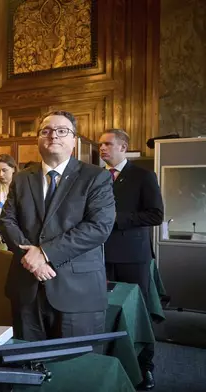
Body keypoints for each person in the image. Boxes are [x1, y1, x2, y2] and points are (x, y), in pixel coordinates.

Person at [0, 110, 115, 341]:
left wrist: (44, 253)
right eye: (47, 131)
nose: (54, 136)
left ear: (74, 140)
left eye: (62, 131)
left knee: (75, 367)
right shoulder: (22, 178)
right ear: (37, 139)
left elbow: (98, 227)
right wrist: (32, 262)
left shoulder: (95, 177)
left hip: (76, 291)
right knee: (26, 364)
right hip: (27, 287)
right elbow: (7, 220)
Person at [99, 129, 163, 391]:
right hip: (100, 257)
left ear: (123, 147)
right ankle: (110, 362)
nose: (102, 148)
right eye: (100, 145)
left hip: (133, 257)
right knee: (105, 310)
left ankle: (145, 367)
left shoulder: (144, 176)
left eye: (107, 144)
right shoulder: (98, 177)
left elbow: (155, 215)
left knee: (138, 313)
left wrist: (119, 218)